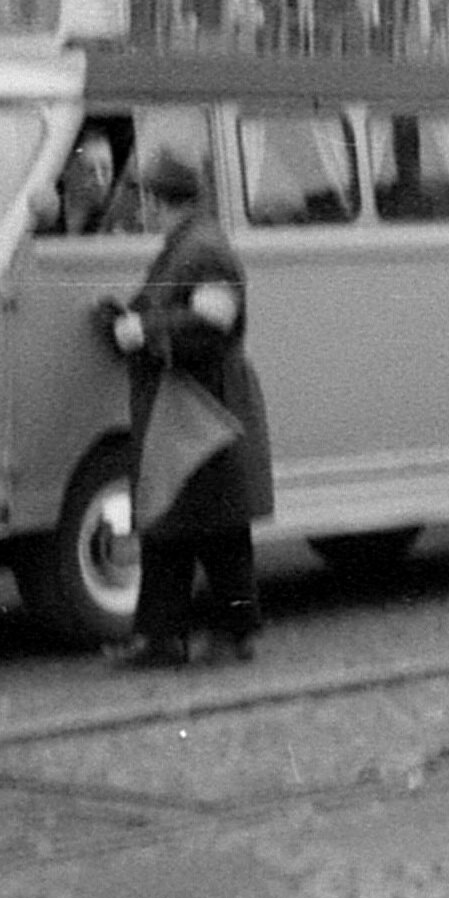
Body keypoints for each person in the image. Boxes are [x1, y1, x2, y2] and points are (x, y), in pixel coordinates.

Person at [101, 151, 271, 669]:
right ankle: (180, 637)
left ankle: (198, 637)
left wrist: (143, 330)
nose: (141, 210)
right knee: (188, 522)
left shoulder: (203, 250)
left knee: (201, 525)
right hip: (192, 403)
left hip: (203, 407)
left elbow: (214, 322)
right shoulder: (189, 245)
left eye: (143, 198)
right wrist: (127, 319)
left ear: (158, 200)